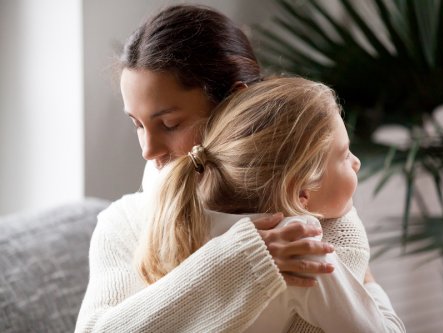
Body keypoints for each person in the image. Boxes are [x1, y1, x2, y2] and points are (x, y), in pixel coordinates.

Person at [75, 5, 403, 333]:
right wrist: (236, 263)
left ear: (233, 102)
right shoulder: (123, 224)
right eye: (137, 124)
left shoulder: (316, 214)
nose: (148, 151)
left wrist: (362, 273)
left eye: (170, 124)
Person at [138, 77, 405, 333]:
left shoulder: (185, 215)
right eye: (344, 155)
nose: (356, 162)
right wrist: (369, 283)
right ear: (302, 193)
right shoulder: (298, 246)